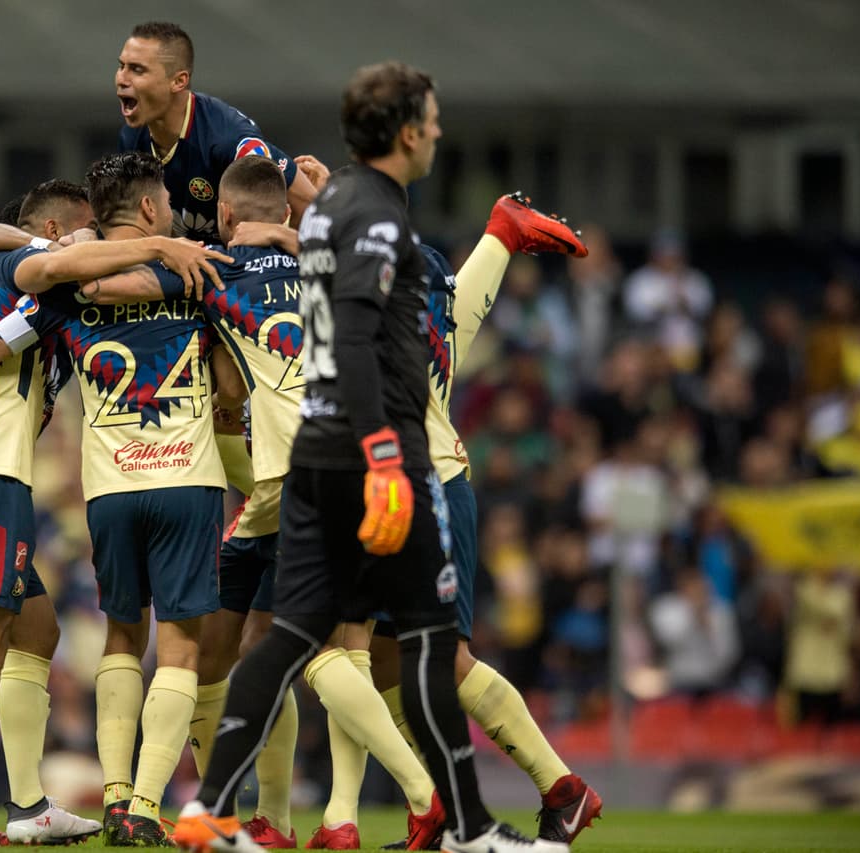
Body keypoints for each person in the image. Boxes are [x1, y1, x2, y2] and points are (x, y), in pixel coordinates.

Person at [172, 62, 567, 853]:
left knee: (304, 640)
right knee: (366, 644)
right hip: (364, 456)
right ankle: (451, 817)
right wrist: (385, 449)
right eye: (432, 119)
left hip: (323, 455)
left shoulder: (318, 230)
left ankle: (231, 808)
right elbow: (372, 333)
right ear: (407, 132)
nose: (440, 132)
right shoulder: (373, 222)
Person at [0, 180, 228, 847]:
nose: (94, 246)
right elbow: (10, 277)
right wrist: (160, 249)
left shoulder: (13, 294)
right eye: (83, 234)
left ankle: (18, 805)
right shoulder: (38, 276)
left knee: (33, 631)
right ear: (52, 231)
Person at [371, 196, 602, 846]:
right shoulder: (420, 281)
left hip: (428, 484)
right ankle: (439, 812)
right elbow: (463, 313)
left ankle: (563, 787)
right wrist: (500, 237)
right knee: (385, 663)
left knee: (439, 658)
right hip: (407, 481)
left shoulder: (380, 287)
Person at [116, 21, 316, 242]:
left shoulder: (227, 139)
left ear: (179, 81)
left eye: (136, 69)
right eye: (121, 66)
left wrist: (293, 263)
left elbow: (309, 205)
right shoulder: (131, 139)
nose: (121, 79)